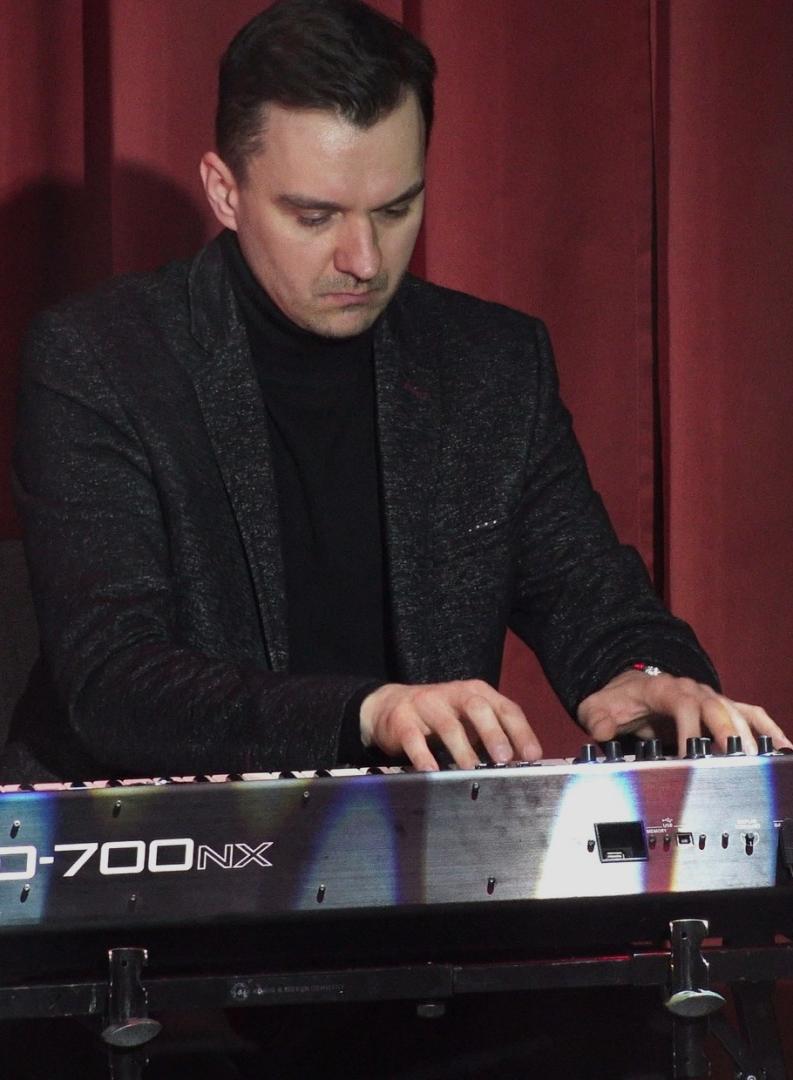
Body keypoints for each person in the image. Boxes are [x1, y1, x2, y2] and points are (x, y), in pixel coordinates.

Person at [3, 0, 789, 785]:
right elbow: (116, 683)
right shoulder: (102, 359)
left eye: (395, 209)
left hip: (413, 845)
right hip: (148, 840)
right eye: (315, 216)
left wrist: (645, 677)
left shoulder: (490, 364)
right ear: (224, 191)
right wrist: (366, 713)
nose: (364, 259)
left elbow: (590, 595)